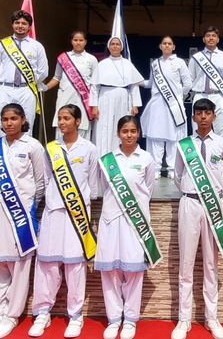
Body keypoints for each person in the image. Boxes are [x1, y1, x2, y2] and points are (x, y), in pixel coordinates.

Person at [29, 105, 99, 339]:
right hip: (54, 212)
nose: (61, 122)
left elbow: (93, 184)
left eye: (66, 118)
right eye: (59, 118)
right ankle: (42, 312)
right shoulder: (51, 148)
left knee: (75, 265)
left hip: (77, 215)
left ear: (78, 121)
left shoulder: (89, 149)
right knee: (47, 263)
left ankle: (75, 315)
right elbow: (46, 179)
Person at [0, 104, 46, 339]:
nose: (9, 123)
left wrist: (29, 207)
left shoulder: (33, 146)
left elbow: (40, 182)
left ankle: (11, 314)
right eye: (5, 119)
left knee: (18, 262)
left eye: (14, 118)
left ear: (23, 119)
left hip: (20, 213)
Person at [171, 99, 223, 339]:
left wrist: (215, 193)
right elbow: (178, 176)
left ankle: (212, 318)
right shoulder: (184, 145)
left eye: (207, 113)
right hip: (189, 203)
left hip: (213, 205)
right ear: (194, 117)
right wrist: (193, 191)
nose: (203, 117)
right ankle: (184, 319)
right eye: (199, 113)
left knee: (211, 263)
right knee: (186, 263)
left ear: (214, 116)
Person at [96, 116, 160, 339]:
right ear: (118, 133)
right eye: (125, 131)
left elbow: (148, 189)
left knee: (134, 271)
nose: (129, 135)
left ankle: (131, 319)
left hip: (136, 221)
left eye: (133, 131)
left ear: (139, 133)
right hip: (111, 219)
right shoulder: (108, 160)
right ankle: (114, 319)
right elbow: (104, 188)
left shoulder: (146, 158)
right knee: (110, 271)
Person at [0, 10, 49, 136]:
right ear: (12, 24)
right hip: (5, 89)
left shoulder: (37, 46)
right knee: (3, 125)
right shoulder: (2, 44)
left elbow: (43, 71)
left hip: (26, 90)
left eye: (24, 23)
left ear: (29, 26)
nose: (20, 26)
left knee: (27, 125)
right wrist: (6, 78)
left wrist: (30, 81)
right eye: (17, 23)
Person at [142, 35, 192, 177]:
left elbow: (188, 84)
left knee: (174, 137)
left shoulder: (180, 62)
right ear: (160, 46)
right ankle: (155, 169)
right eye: (164, 43)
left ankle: (172, 169)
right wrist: (137, 82)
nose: (167, 45)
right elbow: (151, 83)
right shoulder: (155, 64)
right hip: (157, 104)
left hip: (174, 105)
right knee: (156, 136)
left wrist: (177, 96)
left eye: (169, 43)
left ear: (173, 46)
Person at [91, 37, 144, 155]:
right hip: (105, 97)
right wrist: (94, 106)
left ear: (121, 47)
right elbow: (94, 87)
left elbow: (134, 86)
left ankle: (121, 153)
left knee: (122, 125)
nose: (115, 46)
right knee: (105, 126)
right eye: (113, 44)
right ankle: (103, 155)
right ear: (109, 47)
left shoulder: (127, 64)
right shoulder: (102, 64)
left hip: (123, 98)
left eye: (117, 44)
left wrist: (135, 105)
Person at [45, 30, 97, 140]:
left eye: (81, 40)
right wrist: (45, 88)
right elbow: (57, 77)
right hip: (65, 96)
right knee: (63, 123)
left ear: (85, 42)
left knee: (82, 125)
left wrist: (95, 104)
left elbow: (95, 83)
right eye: (75, 40)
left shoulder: (91, 59)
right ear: (71, 41)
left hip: (84, 100)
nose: (78, 43)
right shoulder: (63, 57)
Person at [188, 25, 223, 139]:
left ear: (218, 39)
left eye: (214, 36)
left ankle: (221, 151)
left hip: (220, 95)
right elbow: (190, 78)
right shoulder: (196, 57)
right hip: (200, 95)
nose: (211, 38)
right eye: (208, 35)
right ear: (203, 39)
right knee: (197, 130)